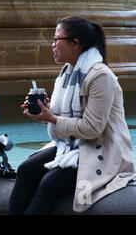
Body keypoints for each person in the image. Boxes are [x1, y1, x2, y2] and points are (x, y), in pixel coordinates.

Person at [9, 15, 136, 214]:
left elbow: (92, 129)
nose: (52, 45)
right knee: (26, 170)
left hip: (101, 149)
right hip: (72, 146)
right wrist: (46, 114)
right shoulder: (66, 73)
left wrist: (51, 118)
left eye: (56, 39)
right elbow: (65, 122)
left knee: (49, 184)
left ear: (75, 43)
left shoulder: (101, 76)